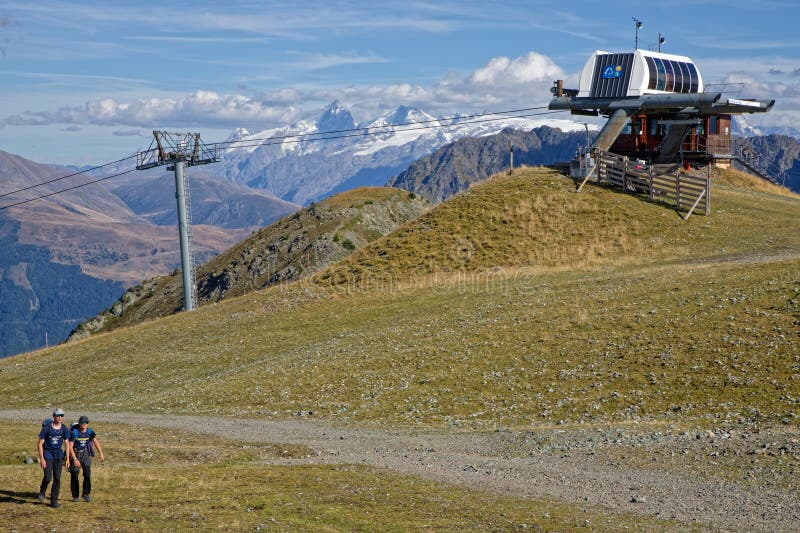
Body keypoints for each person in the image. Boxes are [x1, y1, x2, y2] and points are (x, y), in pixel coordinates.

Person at [38, 408, 71, 508]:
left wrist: (68, 459)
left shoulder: (64, 428)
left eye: (61, 415)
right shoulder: (47, 428)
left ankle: (54, 501)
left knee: (57, 478)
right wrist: (42, 459)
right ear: (54, 416)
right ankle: (42, 491)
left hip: (58, 456)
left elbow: (67, 444)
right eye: (58, 415)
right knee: (48, 477)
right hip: (48, 454)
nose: (60, 417)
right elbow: (40, 444)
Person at [68, 415, 105, 502]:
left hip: (85, 453)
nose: (84, 424)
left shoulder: (89, 431)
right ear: (80, 423)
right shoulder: (75, 432)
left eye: (86, 423)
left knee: (87, 474)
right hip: (75, 453)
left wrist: (101, 453)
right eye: (83, 423)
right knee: (75, 474)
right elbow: (70, 447)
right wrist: (75, 459)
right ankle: (75, 496)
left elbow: (95, 441)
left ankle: (86, 494)